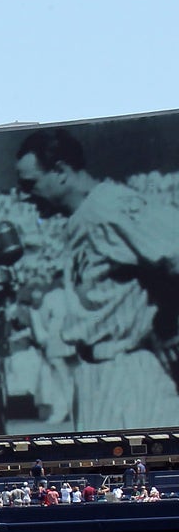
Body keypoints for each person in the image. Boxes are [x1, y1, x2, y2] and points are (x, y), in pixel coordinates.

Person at [15, 128, 179, 432]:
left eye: (30, 184)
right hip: (94, 373)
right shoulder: (83, 215)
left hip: (127, 371)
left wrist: (170, 324)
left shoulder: (109, 205)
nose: (25, 195)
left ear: (61, 172)